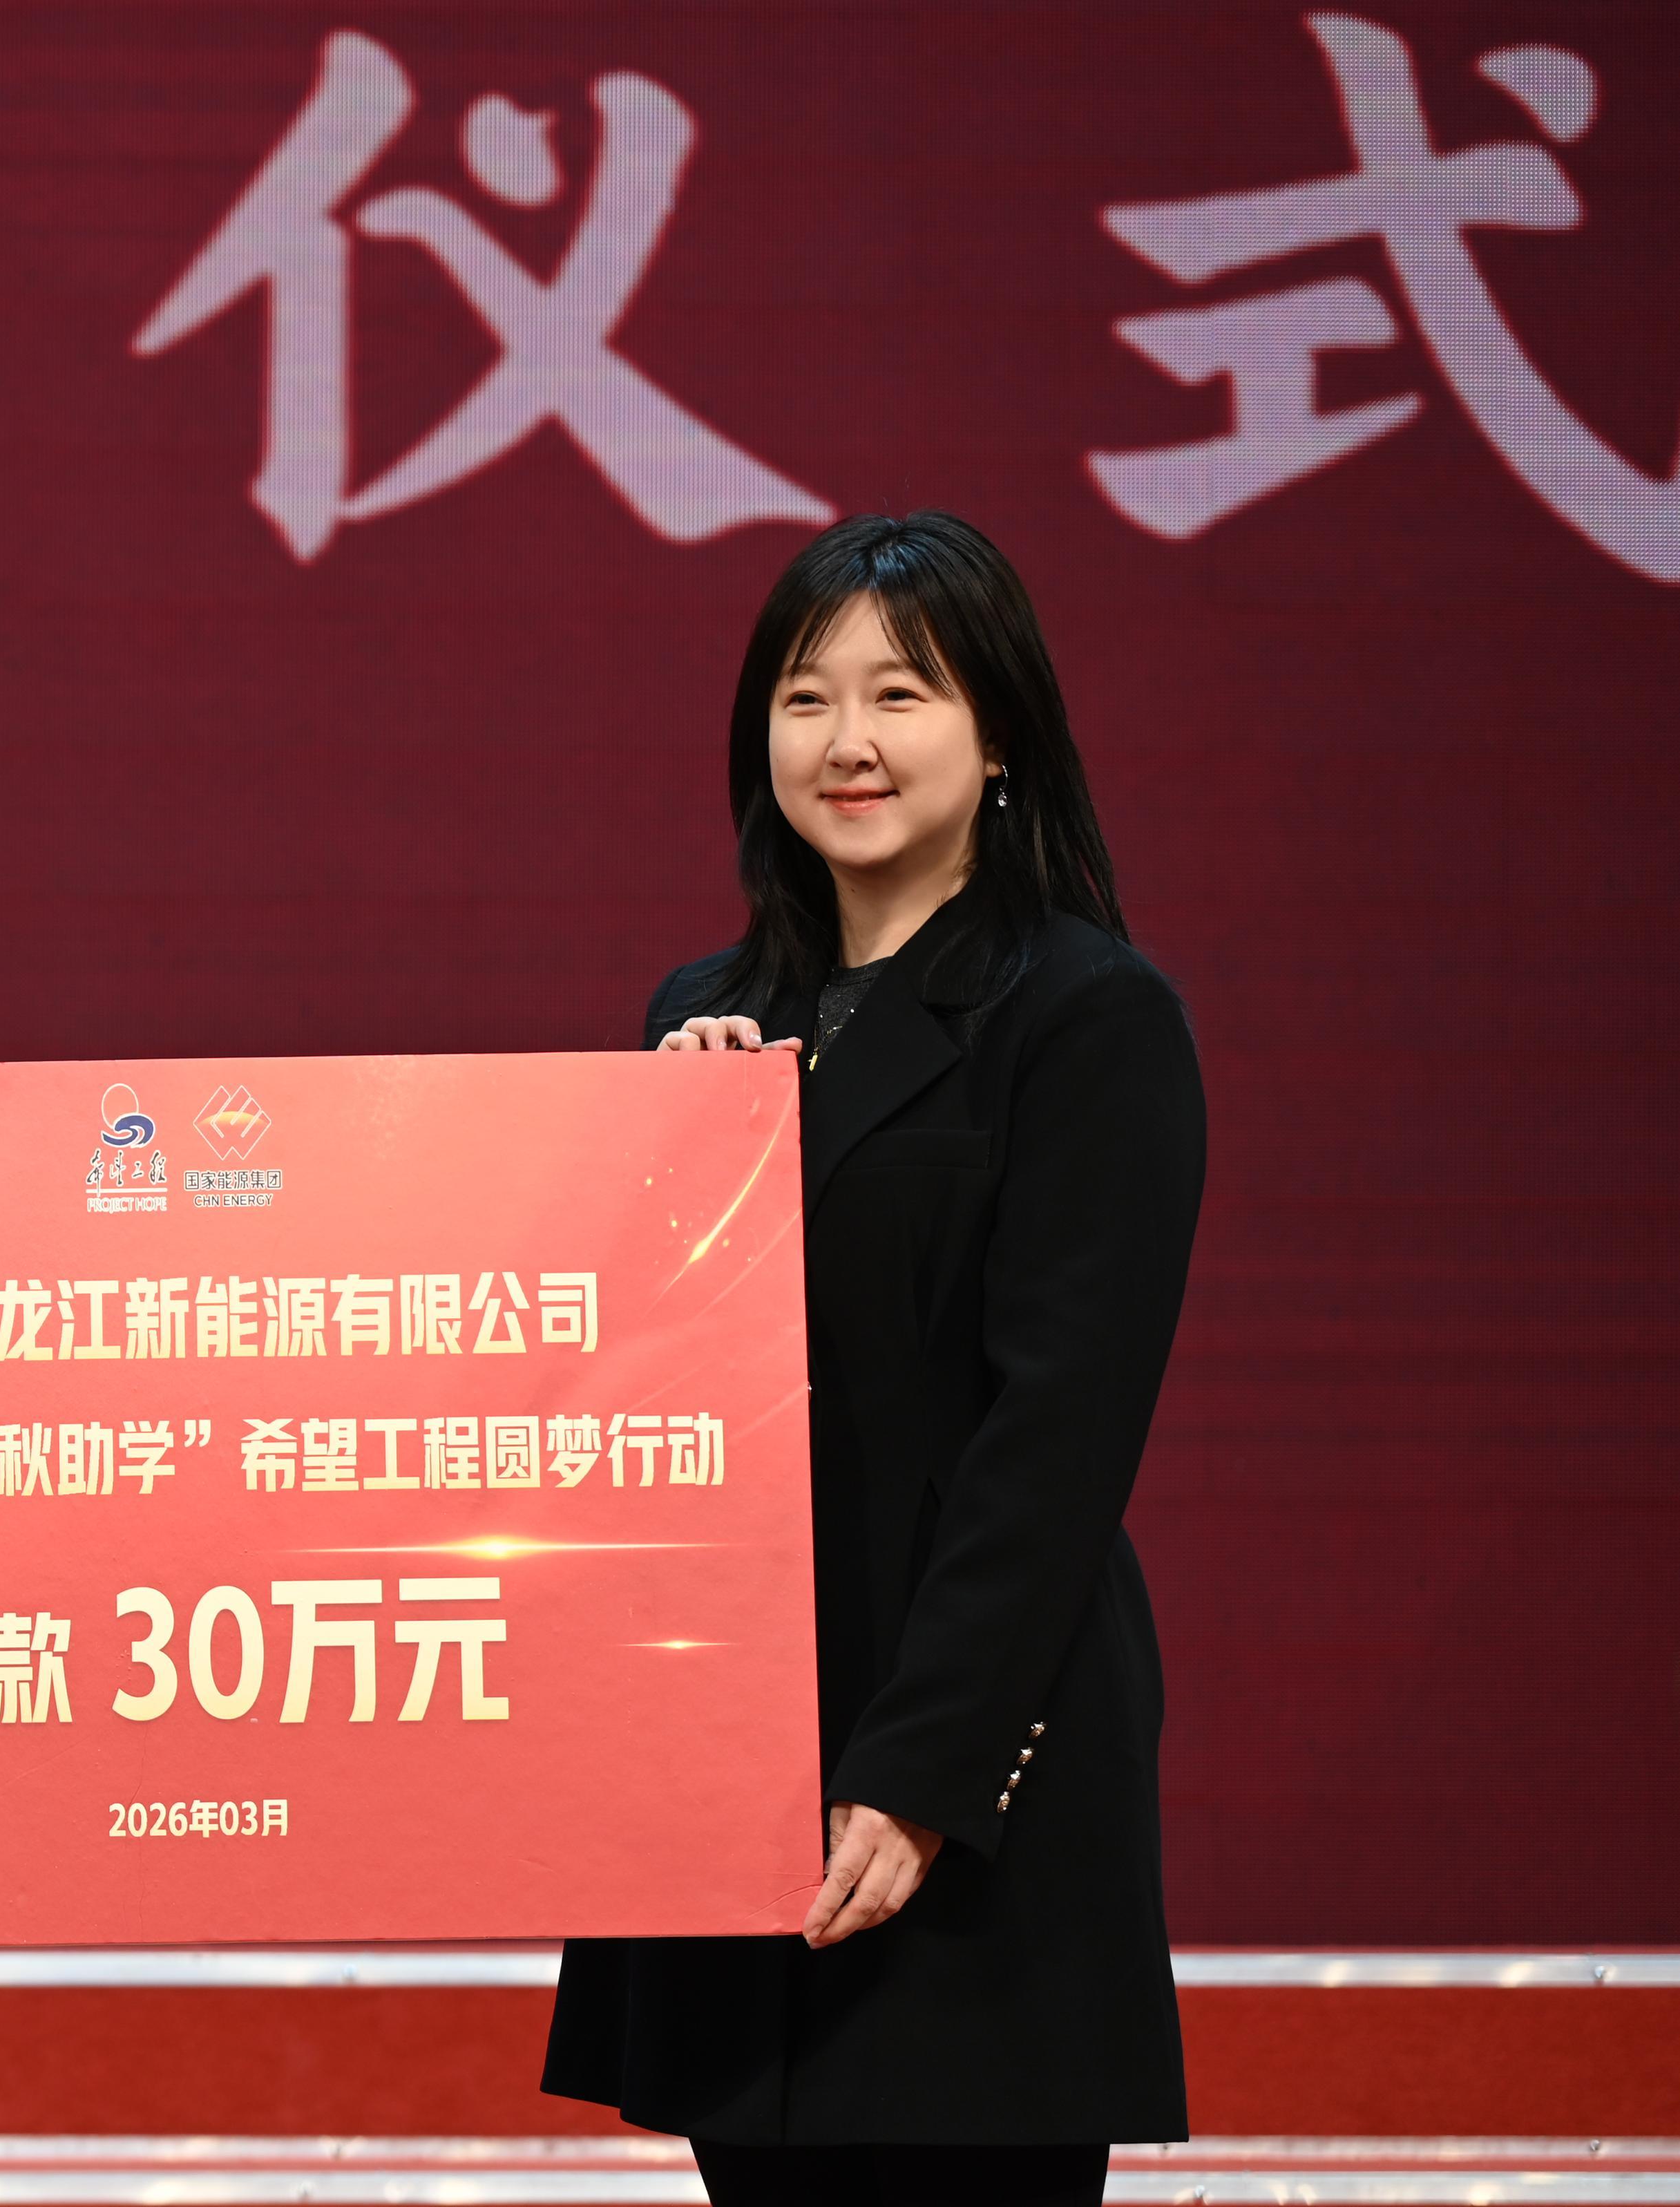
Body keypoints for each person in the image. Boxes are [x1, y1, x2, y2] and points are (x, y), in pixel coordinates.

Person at [542, 512, 1201, 2206]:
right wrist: (668, 1161)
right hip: (728, 1740)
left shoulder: (1087, 1015)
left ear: (999, 738)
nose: (846, 741)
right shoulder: (699, 1016)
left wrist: (918, 1777)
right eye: (804, 696)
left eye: (899, 694)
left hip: (962, 1761)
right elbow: (622, 1401)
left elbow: (1054, 1442)